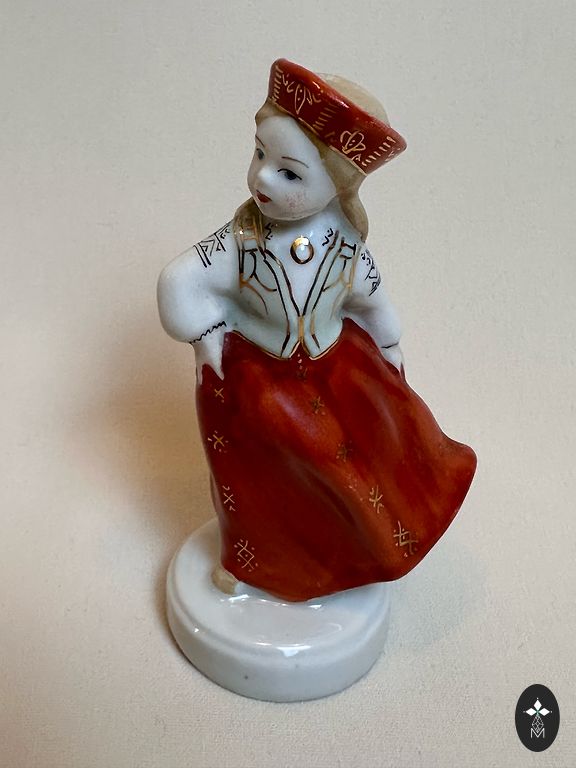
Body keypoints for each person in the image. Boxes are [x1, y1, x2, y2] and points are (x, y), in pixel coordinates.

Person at [158, 59, 476, 602]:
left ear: (336, 187)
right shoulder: (241, 239)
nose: (262, 177)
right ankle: (253, 561)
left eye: (289, 173)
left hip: (335, 367)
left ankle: (341, 552)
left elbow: (371, 295)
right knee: (260, 476)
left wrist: (388, 339)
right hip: (257, 374)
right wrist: (204, 330)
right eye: (259, 154)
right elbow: (180, 278)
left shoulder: (344, 243)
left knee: (367, 453)